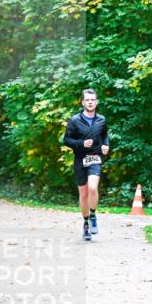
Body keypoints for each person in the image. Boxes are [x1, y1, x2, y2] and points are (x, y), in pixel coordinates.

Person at [63, 88, 110, 241]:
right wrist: (82, 143)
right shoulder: (75, 120)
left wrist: (105, 146)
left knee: (92, 187)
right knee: (83, 194)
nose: (90, 102)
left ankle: (93, 215)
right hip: (80, 160)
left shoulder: (101, 120)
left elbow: (104, 135)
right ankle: (85, 224)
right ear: (83, 102)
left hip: (95, 158)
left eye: (93, 100)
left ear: (96, 102)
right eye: (87, 100)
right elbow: (66, 140)